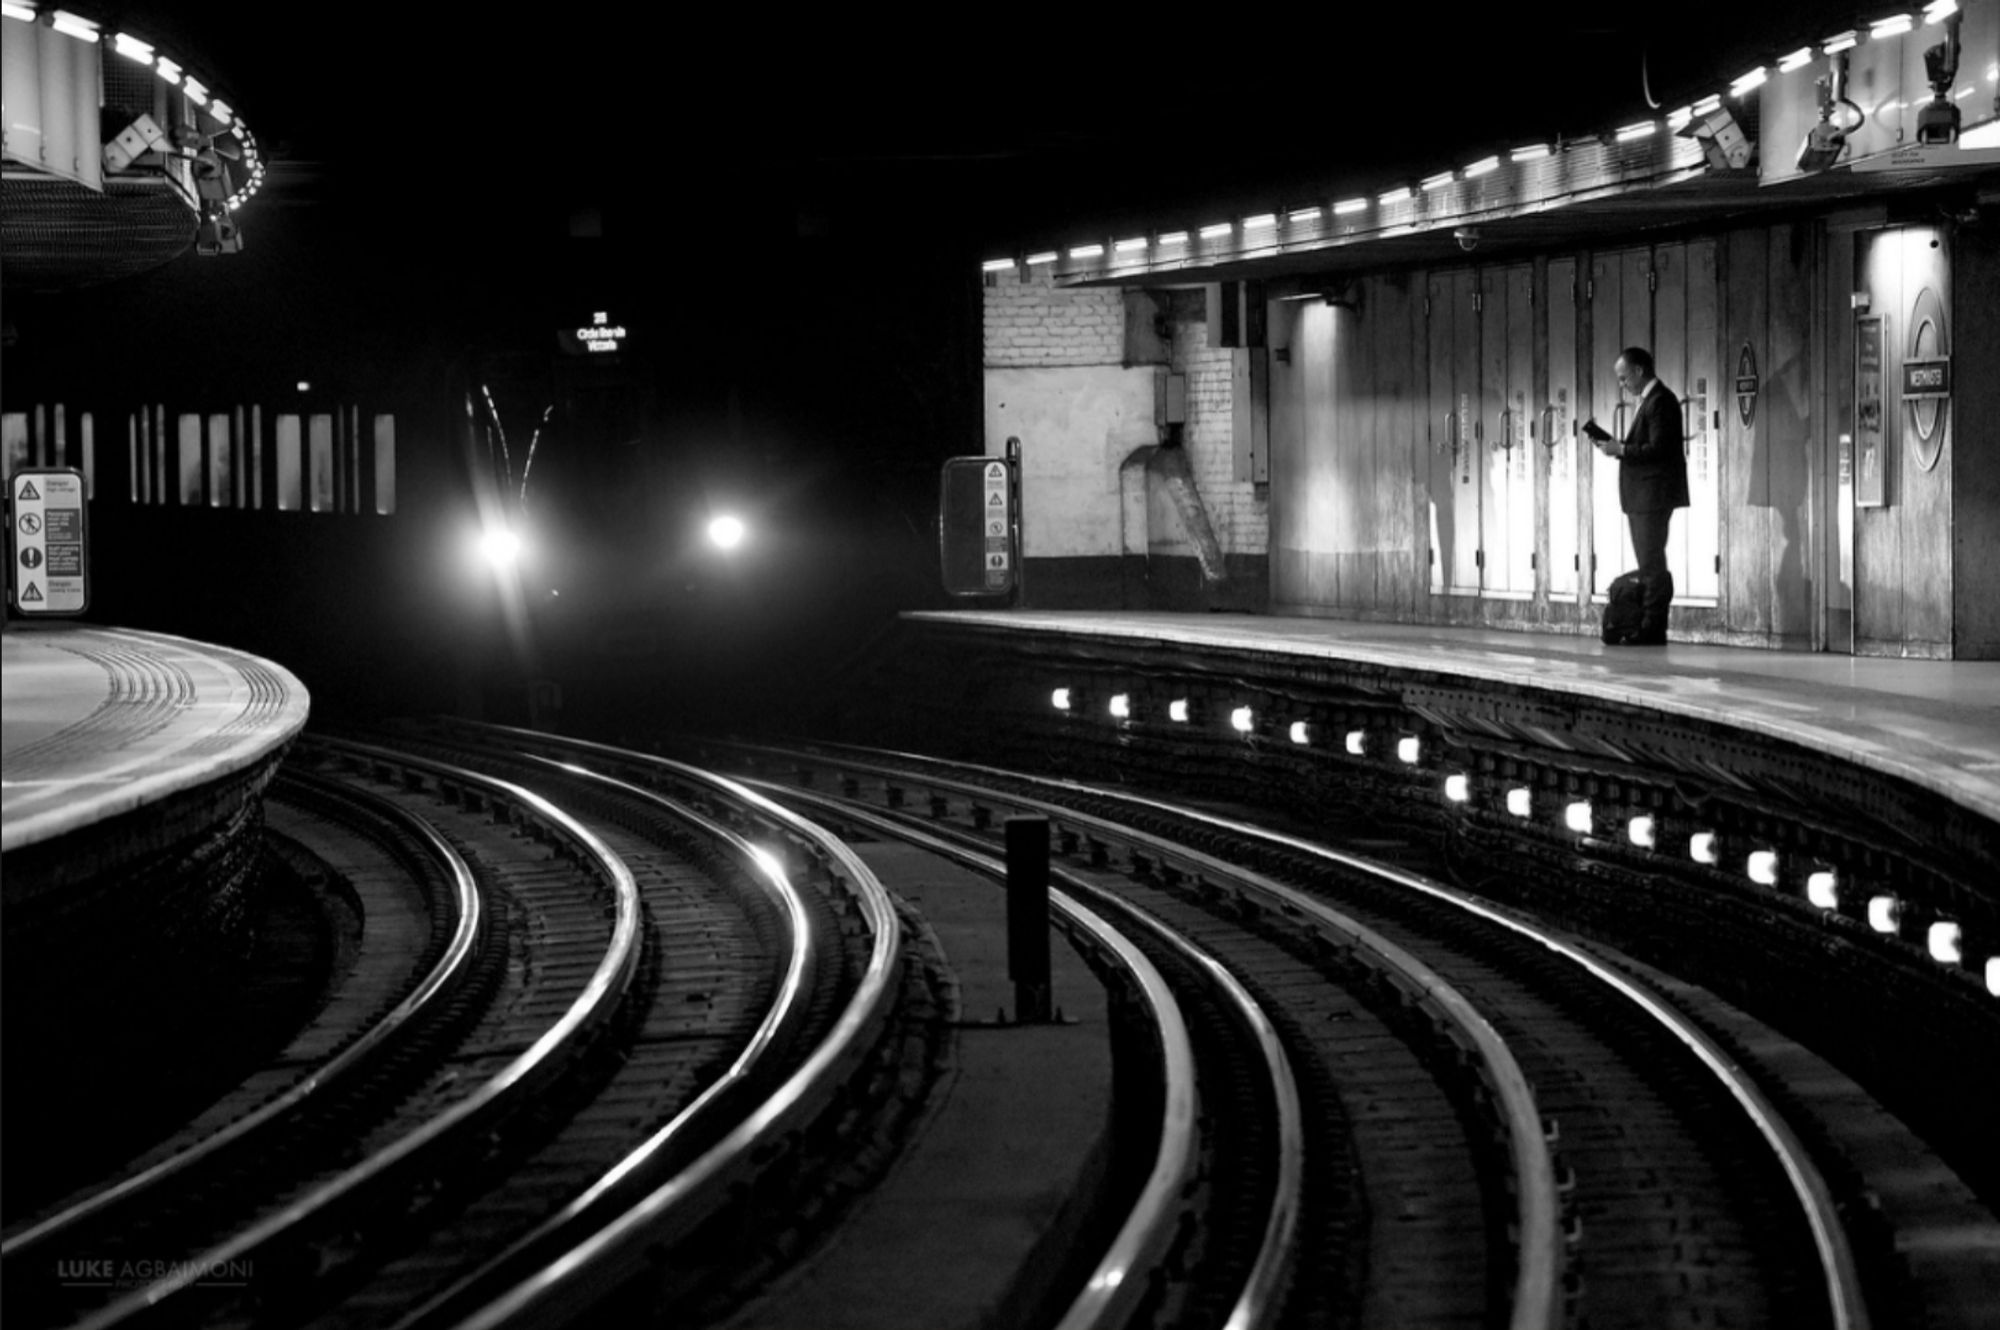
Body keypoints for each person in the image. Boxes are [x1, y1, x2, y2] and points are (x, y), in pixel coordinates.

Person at [1583, 347, 1689, 644]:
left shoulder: (1661, 401)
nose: (1622, 385)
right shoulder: (1651, 401)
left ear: (1639, 371)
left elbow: (1660, 449)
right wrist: (1619, 450)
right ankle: (1649, 625)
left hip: (1652, 496)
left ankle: (1652, 628)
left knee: (1651, 562)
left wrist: (1623, 450)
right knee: (1649, 561)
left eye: (1623, 378)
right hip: (1645, 496)